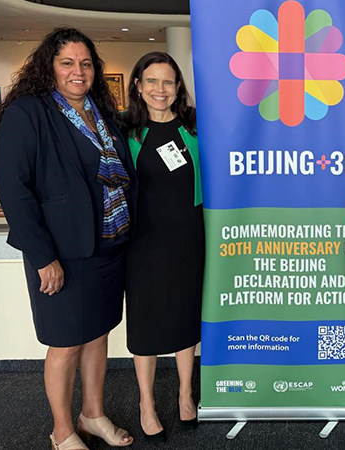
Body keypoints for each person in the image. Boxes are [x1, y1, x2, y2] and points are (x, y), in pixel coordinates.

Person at [0, 27, 136, 450]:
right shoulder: (29, 113)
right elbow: (15, 191)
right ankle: (62, 431)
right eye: (67, 63)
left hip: (107, 244)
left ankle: (92, 415)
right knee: (66, 343)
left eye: (86, 63)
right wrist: (41, 256)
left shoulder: (101, 112)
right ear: (48, 67)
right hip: (61, 252)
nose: (78, 71)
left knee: (98, 334)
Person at [121, 51, 204, 443]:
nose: (160, 89)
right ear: (137, 85)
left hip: (188, 236)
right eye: (151, 81)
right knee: (146, 321)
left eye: (168, 82)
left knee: (185, 314)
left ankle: (186, 394)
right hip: (142, 243)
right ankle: (146, 403)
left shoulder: (194, 126)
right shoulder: (125, 131)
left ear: (178, 87)